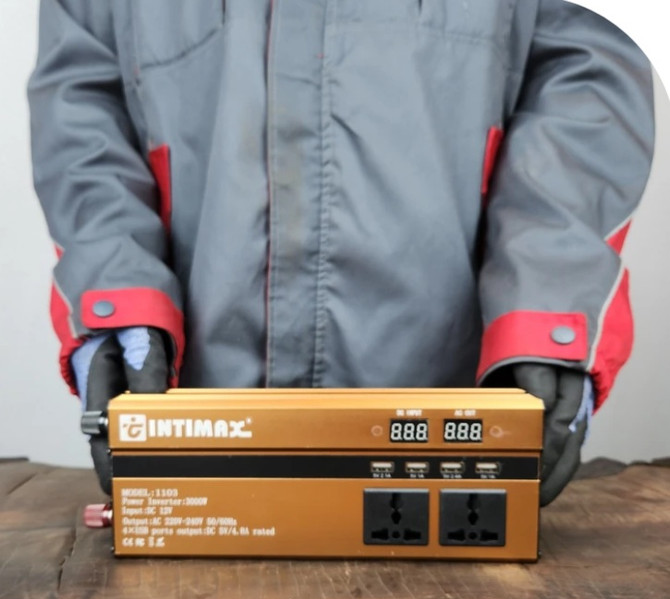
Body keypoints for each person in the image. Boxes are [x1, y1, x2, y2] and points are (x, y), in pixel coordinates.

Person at [28, 0, 655, 504]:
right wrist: (116, 291)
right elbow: (83, 97)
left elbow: (586, 69)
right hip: (195, 445)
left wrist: (549, 304)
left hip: (451, 434)